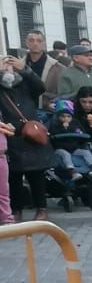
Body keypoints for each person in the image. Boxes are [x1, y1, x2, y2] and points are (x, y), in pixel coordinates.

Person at [0, 54, 54, 220]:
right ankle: (16, 209)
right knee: (13, 176)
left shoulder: (24, 82)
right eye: (5, 65)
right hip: (11, 135)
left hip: (31, 133)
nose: (8, 68)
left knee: (36, 174)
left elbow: (40, 87)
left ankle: (41, 208)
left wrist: (24, 70)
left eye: (10, 65)